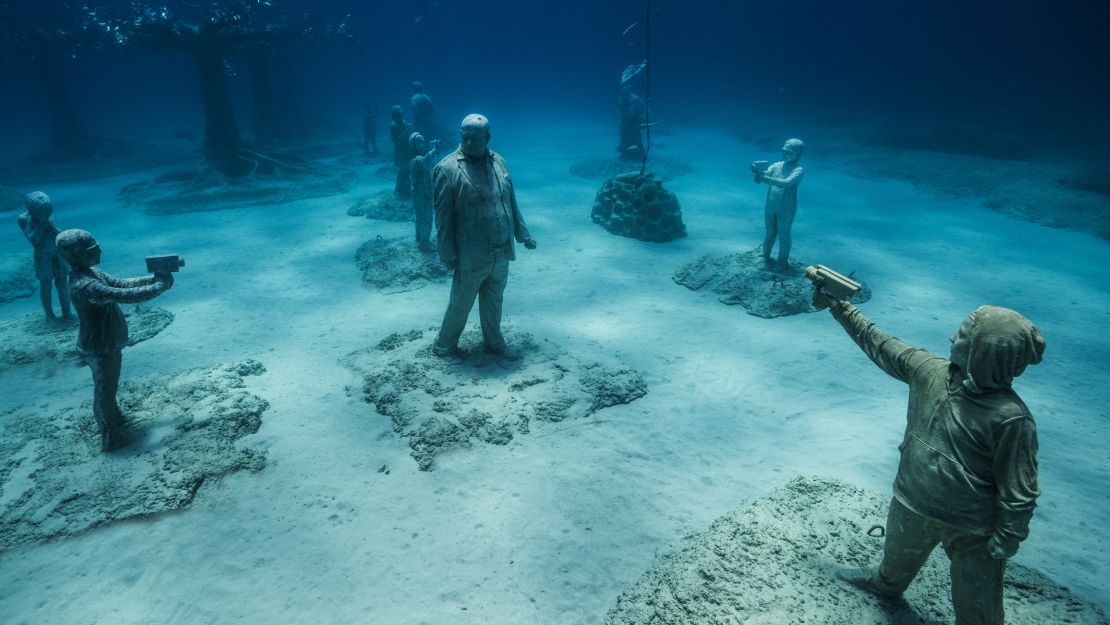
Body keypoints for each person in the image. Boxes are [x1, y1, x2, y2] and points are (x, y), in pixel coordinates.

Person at [814, 289, 1045, 625]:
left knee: (978, 607)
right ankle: (885, 584)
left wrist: (1008, 537)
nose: (953, 337)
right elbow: (880, 343)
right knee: (893, 566)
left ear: (986, 351)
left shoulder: (1011, 419)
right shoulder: (929, 372)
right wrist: (839, 306)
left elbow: (1020, 490)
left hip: (973, 529)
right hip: (911, 500)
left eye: (964, 336)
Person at [56, 229, 175, 452]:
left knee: (107, 387)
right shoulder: (87, 285)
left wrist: (154, 278)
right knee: (104, 390)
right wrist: (160, 285)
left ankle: (115, 419)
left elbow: (120, 284)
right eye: (93, 248)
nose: (99, 249)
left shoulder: (91, 274)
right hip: (100, 346)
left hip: (102, 342)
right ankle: (110, 436)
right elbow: (124, 295)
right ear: (77, 255)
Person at [432, 114, 536, 360]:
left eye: (475, 138)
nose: (468, 143)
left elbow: (511, 202)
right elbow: (442, 220)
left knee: (494, 300)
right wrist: (447, 255)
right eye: (464, 137)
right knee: (461, 303)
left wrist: (523, 234)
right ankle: (444, 346)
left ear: (488, 137)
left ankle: (494, 343)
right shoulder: (446, 169)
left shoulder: (499, 161)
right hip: (471, 254)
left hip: (501, 250)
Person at [17, 191, 72, 321]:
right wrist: (42, 225)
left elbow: (59, 234)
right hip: (42, 256)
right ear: (31, 211)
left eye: (48, 211)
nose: (46, 214)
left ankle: (67, 312)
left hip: (57, 254)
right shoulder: (23, 219)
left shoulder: (49, 215)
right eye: (42, 213)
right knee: (45, 285)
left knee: (62, 284)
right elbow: (34, 240)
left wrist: (50, 224)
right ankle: (49, 315)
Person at [751, 138, 805, 271]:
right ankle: (765, 256)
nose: (785, 154)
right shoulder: (776, 165)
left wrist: (765, 179)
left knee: (784, 235)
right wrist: (758, 174)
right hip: (770, 206)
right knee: (769, 233)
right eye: (784, 151)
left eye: (789, 152)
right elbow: (759, 180)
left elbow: (786, 183)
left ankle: (781, 263)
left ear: (798, 154)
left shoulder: (798, 170)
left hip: (786, 209)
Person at [409, 132, 442, 252]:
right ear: (413, 145)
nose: (422, 145)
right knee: (426, 218)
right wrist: (434, 149)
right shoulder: (417, 160)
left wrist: (434, 151)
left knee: (419, 218)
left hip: (420, 194)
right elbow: (425, 161)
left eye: (423, 142)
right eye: (419, 143)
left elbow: (427, 161)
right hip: (423, 195)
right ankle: (424, 244)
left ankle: (419, 239)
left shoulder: (415, 159)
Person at [390, 105, 414, 197]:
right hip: (401, 152)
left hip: (407, 150)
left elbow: (408, 133)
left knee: (408, 170)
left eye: (402, 112)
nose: (402, 114)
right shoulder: (393, 126)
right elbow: (396, 141)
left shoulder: (402, 122)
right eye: (399, 113)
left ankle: (405, 189)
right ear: (395, 114)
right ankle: (398, 189)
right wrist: (406, 132)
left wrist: (410, 128)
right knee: (403, 171)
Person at [616, 85, 646, 159]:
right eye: (623, 94)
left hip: (634, 122)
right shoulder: (621, 99)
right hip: (625, 122)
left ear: (628, 93)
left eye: (625, 94)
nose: (624, 96)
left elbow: (642, 111)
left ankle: (640, 155)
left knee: (636, 138)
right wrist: (622, 119)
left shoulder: (636, 99)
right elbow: (619, 110)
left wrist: (640, 120)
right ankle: (625, 153)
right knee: (623, 138)